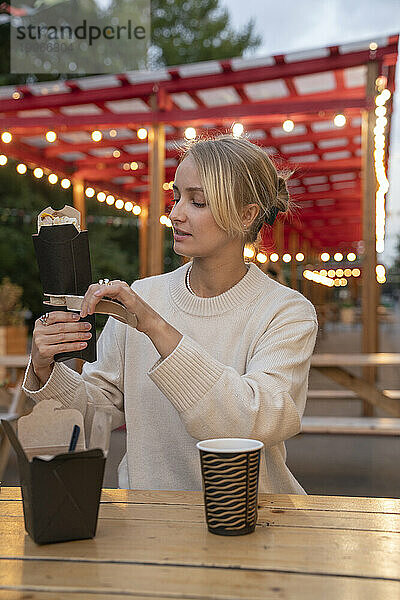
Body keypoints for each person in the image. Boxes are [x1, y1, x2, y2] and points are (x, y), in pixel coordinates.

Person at [23, 134, 318, 494]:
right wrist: (45, 370)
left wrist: (156, 328)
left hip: (248, 521)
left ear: (246, 214)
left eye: (198, 201)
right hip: (149, 519)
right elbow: (98, 412)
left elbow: (256, 421)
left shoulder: (285, 311)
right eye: (176, 196)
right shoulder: (145, 294)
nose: (175, 213)